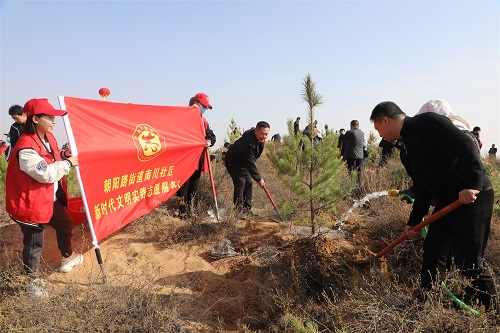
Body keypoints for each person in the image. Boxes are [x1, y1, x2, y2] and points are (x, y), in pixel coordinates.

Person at [370, 101, 497, 309]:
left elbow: (465, 144)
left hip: (472, 195)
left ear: (385, 120)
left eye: (378, 129)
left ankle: (493, 312)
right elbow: (422, 189)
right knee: (433, 251)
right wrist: (413, 222)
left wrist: (472, 185)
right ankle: (427, 301)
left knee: (469, 262)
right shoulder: (405, 151)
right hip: (448, 199)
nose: (379, 135)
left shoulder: (426, 122)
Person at [5, 98, 83, 298]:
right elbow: (46, 173)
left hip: (49, 197)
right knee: (34, 244)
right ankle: (33, 282)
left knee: (65, 224)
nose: (54, 121)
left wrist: (65, 154)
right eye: (49, 117)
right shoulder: (26, 147)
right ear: (36, 119)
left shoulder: (48, 137)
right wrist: (68, 165)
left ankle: (67, 257)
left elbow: (53, 156)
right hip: (31, 202)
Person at [177, 93, 216, 219]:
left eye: (206, 107)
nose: (204, 109)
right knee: (184, 185)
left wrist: (208, 141)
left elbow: (211, 135)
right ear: (196, 103)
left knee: (194, 187)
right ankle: (182, 211)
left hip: (198, 159)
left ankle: (190, 210)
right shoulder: (183, 118)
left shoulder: (203, 121)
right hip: (185, 159)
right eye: (203, 106)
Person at [224, 121, 270, 217]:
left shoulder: (260, 140)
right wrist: (258, 178)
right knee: (241, 181)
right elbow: (249, 161)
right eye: (262, 133)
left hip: (243, 163)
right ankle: (238, 211)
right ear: (256, 131)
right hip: (233, 161)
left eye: (266, 134)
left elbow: (251, 159)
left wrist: (255, 177)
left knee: (248, 182)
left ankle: (246, 210)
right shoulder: (248, 142)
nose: (264, 136)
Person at [343, 120, 364, 184]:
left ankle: (351, 185)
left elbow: (343, 138)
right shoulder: (362, 133)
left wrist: (341, 133)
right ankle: (359, 185)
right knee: (359, 173)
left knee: (351, 172)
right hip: (360, 155)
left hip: (351, 155)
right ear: (358, 125)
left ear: (351, 125)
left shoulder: (349, 132)